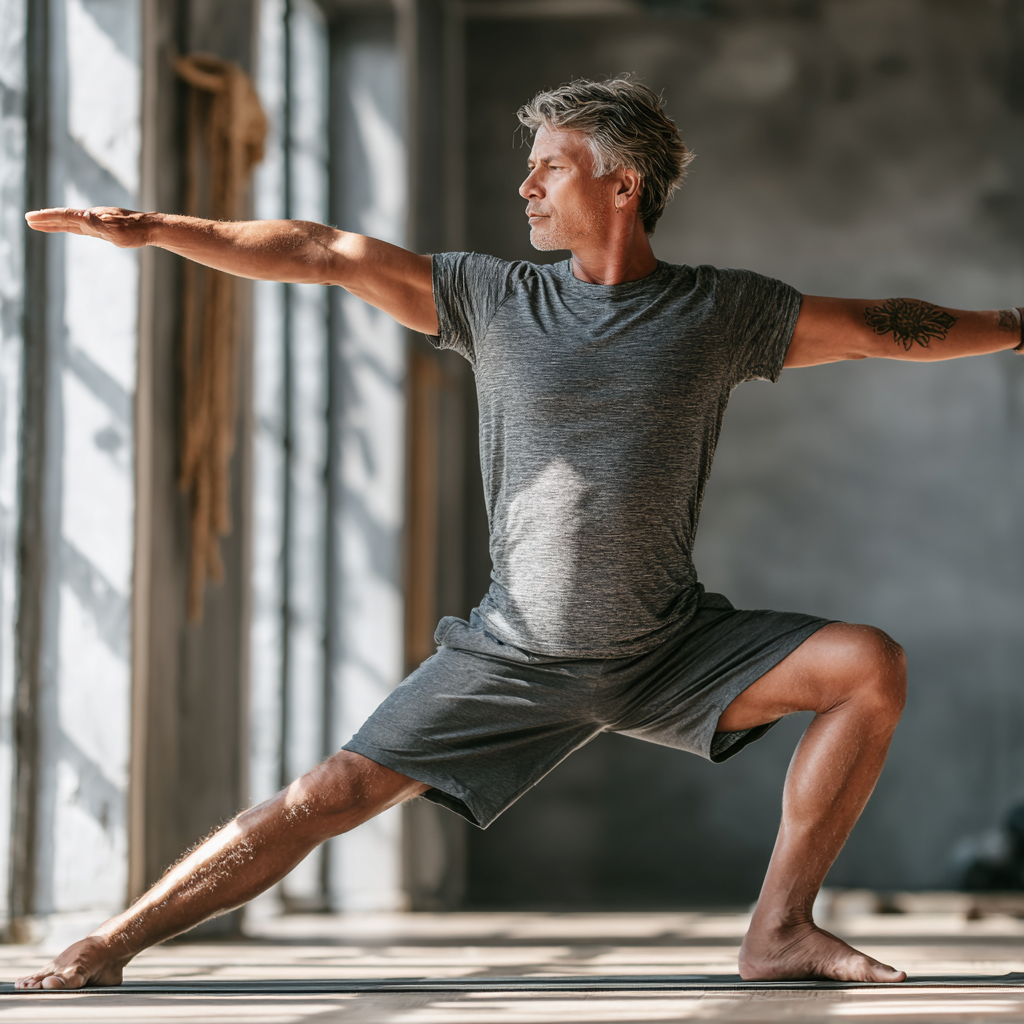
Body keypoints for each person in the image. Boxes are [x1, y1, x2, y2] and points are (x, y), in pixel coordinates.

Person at [15, 77, 1022, 990]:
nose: (526, 187)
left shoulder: (719, 311)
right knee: (326, 794)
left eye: (549, 166)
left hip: (670, 648)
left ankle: (780, 929)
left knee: (866, 665)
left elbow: (887, 325)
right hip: (513, 655)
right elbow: (326, 252)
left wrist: (1016, 326)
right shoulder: (492, 299)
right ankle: (107, 943)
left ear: (621, 184)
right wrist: (158, 229)